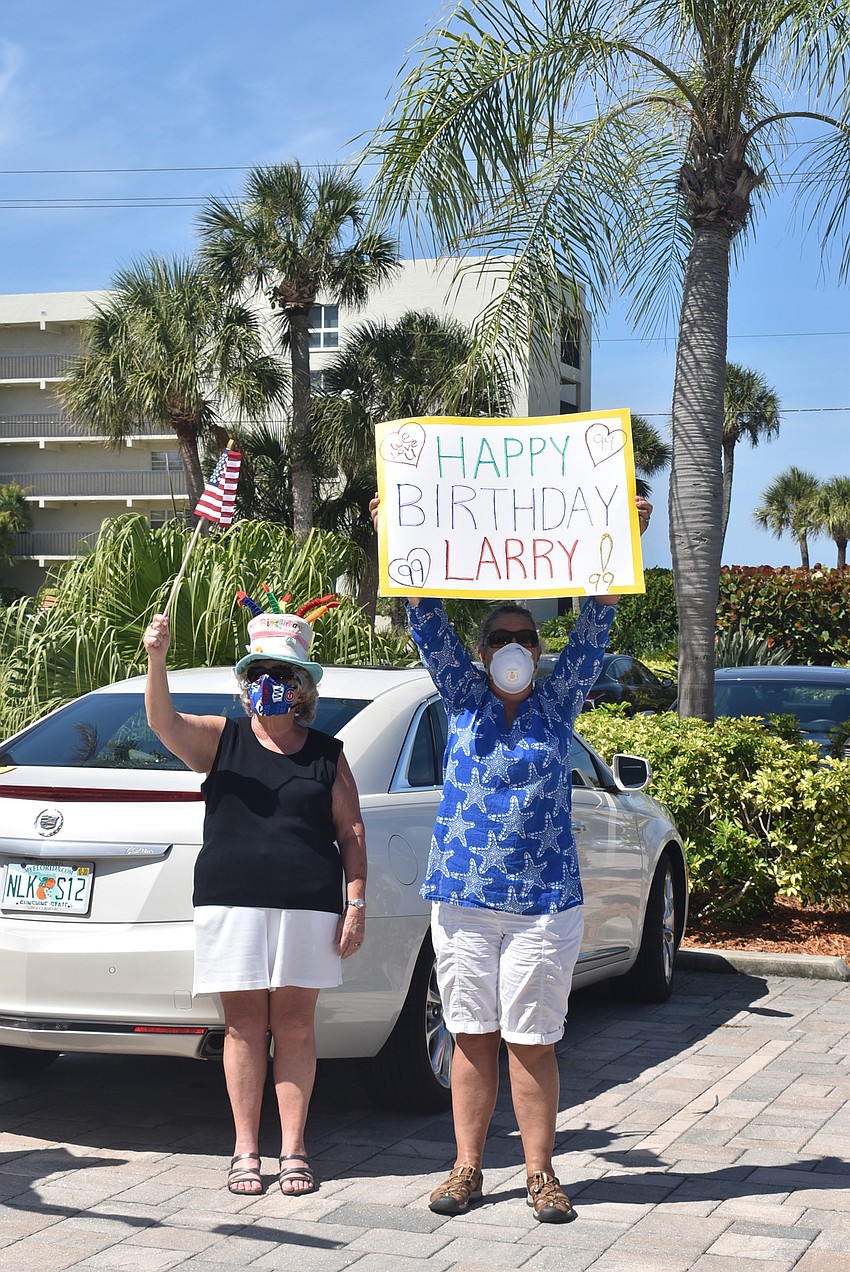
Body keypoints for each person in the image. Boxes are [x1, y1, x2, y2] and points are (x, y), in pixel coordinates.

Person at [370, 493, 652, 1224]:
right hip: (463, 899)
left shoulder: (558, 705)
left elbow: (597, 623)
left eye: (526, 633)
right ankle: (466, 1169)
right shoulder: (460, 698)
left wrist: (626, 541)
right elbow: (424, 617)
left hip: (543, 906)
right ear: (484, 649)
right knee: (472, 1035)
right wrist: (391, 533)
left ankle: (539, 1173)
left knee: (531, 1041)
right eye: (502, 635)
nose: (516, 643)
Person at [143, 603, 367, 1198]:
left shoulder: (326, 752)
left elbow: (352, 832)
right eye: (261, 672)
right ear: (245, 687)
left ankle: (293, 1147)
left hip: (309, 906)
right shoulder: (222, 740)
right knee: (243, 1027)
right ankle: (246, 1148)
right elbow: (163, 724)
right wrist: (156, 659)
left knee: (294, 1025)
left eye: (286, 674)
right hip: (231, 902)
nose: (272, 683)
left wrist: (357, 902)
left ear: (304, 689)